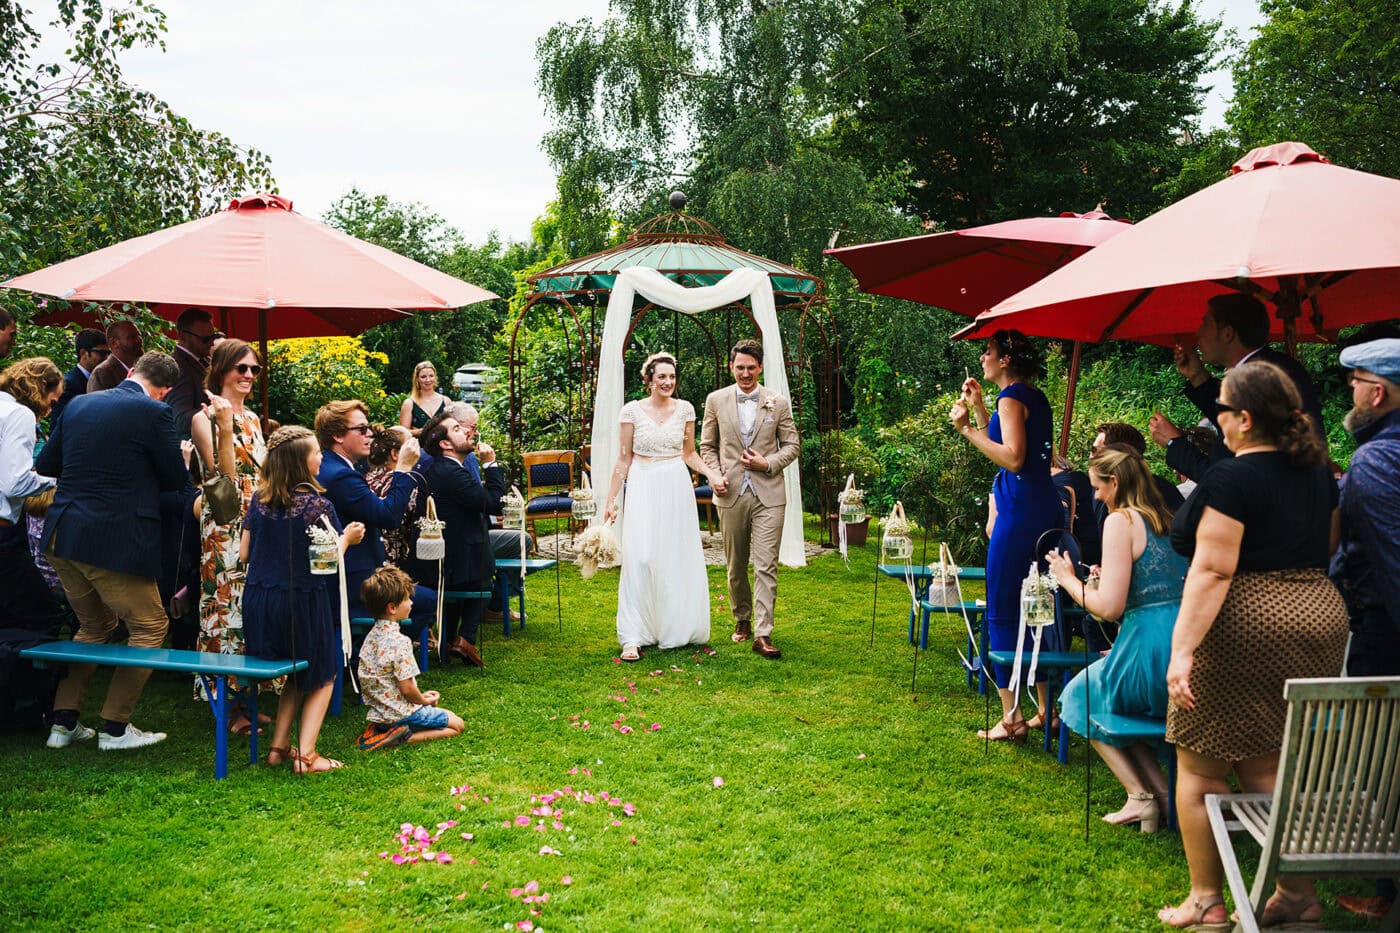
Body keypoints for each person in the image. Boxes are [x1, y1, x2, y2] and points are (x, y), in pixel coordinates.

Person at [1159, 361, 1348, 930]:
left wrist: (1184, 649)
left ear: (1243, 420)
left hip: (1247, 618)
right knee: (1269, 760)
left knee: (1200, 767)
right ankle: (1297, 894)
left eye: (1221, 408)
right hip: (1319, 612)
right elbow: (1331, 542)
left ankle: (1206, 900)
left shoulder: (1231, 478)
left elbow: (1214, 569)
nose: (1215, 418)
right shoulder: (1319, 473)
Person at [39, 351, 187, 751]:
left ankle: (63, 724)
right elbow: (175, 478)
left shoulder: (80, 403)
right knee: (151, 626)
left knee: (94, 625)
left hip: (62, 535)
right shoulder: (154, 413)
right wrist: (184, 458)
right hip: (110, 540)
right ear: (166, 391)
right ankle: (115, 728)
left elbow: (49, 463)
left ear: (132, 371)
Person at [1048, 448, 1188, 832]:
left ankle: (1139, 797)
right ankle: (1161, 796)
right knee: (1118, 706)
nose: (1094, 497)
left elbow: (1108, 608)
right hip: (1188, 638)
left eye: (1098, 487)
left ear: (1115, 483)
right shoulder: (1168, 517)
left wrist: (1068, 580)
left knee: (1080, 697)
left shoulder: (1120, 520)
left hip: (1150, 643)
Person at [949, 329, 1063, 742]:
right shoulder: (1029, 395)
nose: (983, 357)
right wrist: (980, 411)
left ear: (1006, 359)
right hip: (1041, 505)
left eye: (989, 351)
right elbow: (1007, 444)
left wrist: (966, 430)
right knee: (1039, 603)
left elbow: (1013, 459)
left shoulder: (1012, 398)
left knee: (1002, 605)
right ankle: (1049, 709)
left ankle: (1011, 716)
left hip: (1019, 512)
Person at [240, 425, 364, 774]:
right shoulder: (317, 505)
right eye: (316, 453)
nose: (322, 457)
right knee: (324, 674)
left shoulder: (258, 501)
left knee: (296, 672)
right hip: (301, 601)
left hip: (260, 600)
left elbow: (245, 554)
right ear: (300, 462)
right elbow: (326, 564)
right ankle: (307, 756)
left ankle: (278, 748)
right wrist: (348, 539)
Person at [1329, 338, 1400, 921]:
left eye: (1354, 382)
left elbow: (1392, 558)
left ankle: (1389, 893)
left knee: (1382, 763)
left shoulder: (1376, 461)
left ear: (1378, 393)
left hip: (1387, 633)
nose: (1349, 391)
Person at [604, 353, 717, 661]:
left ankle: (675, 627)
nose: (668, 382)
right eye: (661, 377)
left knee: (674, 556)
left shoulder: (686, 410)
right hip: (642, 484)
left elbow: (689, 454)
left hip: (675, 485)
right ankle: (633, 635)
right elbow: (623, 458)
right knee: (640, 557)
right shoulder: (631, 411)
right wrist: (611, 500)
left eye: (671, 377)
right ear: (649, 380)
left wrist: (712, 473)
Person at [1149, 292, 1323, 481]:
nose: (1198, 332)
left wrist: (1175, 443)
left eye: (1205, 323)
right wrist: (1198, 377)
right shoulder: (1273, 368)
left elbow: (1223, 477)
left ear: (1227, 334)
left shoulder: (1259, 381)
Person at [700, 340, 800, 660]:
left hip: (769, 494)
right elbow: (707, 446)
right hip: (731, 492)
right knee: (735, 565)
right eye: (740, 367)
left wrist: (766, 463)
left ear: (761, 368)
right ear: (731, 367)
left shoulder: (777, 402)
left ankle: (763, 632)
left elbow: (792, 446)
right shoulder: (715, 401)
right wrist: (715, 476)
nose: (745, 373)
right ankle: (742, 617)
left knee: (766, 564)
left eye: (751, 367)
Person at [189, 339, 268, 734]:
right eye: (242, 369)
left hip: (255, 517)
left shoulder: (253, 418)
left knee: (249, 602)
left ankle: (246, 696)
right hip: (224, 521)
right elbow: (221, 479)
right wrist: (223, 427)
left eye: (254, 369)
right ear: (222, 370)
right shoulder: (203, 418)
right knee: (223, 606)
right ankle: (226, 703)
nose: (249, 376)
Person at [315, 400, 437, 641]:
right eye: (361, 429)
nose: (369, 433)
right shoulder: (341, 476)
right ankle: (373, 653)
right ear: (338, 435)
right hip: (354, 582)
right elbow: (388, 516)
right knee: (429, 599)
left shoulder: (334, 466)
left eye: (368, 427)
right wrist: (403, 469)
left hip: (347, 572)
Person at [422, 410, 505, 666]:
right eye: (457, 429)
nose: (468, 431)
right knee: (484, 584)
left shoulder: (441, 468)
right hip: (463, 558)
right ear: (445, 444)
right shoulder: (452, 473)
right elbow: (494, 504)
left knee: (471, 584)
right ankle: (465, 639)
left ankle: (450, 641)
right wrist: (491, 465)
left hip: (452, 556)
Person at [357, 565, 464, 747]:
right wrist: (423, 701)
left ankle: (383, 731)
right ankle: (400, 737)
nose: (412, 603)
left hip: (379, 715)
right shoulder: (400, 641)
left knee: (440, 713)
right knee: (457, 724)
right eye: (407, 599)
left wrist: (421, 697)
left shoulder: (370, 637)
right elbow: (406, 689)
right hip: (401, 715)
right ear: (392, 607)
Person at [448, 401, 532, 624]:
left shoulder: (458, 456)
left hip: (473, 527)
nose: (476, 433)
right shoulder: (460, 459)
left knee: (517, 539)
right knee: (522, 541)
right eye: (472, 428)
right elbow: (484, 501)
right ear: (455, 426)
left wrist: (494, 518)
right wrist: (491, 465)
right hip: (467, 538)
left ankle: (491, 602)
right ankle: (493, 605)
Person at [0, 358, 65, 643]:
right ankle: (27, 686)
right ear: (41, 388)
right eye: (52, 400)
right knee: (43, 614)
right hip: (3, 531)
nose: (50, 409)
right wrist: (54, 481)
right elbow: (14, 482)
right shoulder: (19, 415)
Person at [364, 425, 428, 573]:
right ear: (395, 454)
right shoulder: (405, 484)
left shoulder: (367, 478)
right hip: (396, 565)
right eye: (410, 445)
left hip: (372, 556)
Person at [1090, 422, 1185, 513]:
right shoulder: (1164, 488)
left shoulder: (1108, 490)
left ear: (1117, 453)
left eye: (1094, 450)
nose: (1091, 456)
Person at [167, 308, 220, 437]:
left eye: (213, 336)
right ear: (183, 336)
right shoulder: (178, 367)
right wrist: (217, 411)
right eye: (205, 339)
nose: (212, 342)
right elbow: (180, 419)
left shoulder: (205, 360)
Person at [49, 328, 109, 425]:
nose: (107, 358)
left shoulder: (104, 380)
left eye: (109, 354)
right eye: (102, 353)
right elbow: (59, 424)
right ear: (83, 353)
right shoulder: (68, 384)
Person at [85, 320, 143, 393]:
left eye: (139, 335)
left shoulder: (143, 368)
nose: (139, 339)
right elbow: (97, 403)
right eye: (131, 337)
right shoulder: (102, 374)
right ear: (114, 343)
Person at [399, 361, 450, 435]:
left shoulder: (446, 401)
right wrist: (417, 432)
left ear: (435, 377)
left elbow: (452, 428)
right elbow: (402, 432)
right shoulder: (409, 403)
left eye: (431, 376)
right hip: (418, 445)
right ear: (417, 379)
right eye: (423, 377)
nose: (428, 380)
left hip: (443, 445)